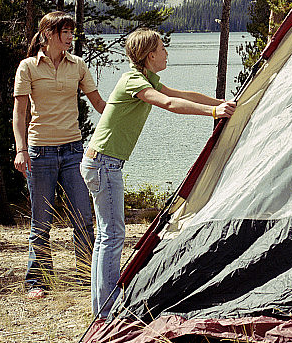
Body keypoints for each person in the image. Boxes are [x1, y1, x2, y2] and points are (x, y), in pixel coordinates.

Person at [80, 28, 236, 317]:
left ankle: (102, 306)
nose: (166, 53)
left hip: (101, 162)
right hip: (103, 164)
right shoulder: (133, 81)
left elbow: (179, 94)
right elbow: (169, 103)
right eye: (162, 49)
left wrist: (220, 104)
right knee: (111, 236)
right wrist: (214, 114)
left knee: (106, 236)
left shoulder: (146, 78)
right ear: (150, 55)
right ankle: (106, 310)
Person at [13, 11, 106, 299]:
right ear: (48, 34)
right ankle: (37, 281)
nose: (70, 37)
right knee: (41, 221)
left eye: (71, 32)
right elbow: (19, 113)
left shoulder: (77, 65)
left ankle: (87, 276)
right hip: (39, 152)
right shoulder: (28, 67)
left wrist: (131, 107)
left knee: (83, 217)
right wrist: (21, 150)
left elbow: (100, 104)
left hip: (73, 151)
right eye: (65, 32)